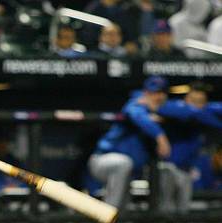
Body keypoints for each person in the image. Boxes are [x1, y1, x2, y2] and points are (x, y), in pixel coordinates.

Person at [87, 76, 172, 210]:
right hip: (103, 161)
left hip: (130, 169)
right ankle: (108, 212)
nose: (157, 97)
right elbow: (136, 115)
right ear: (145, 93)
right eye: (153, 93)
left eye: (161, 93)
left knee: (164, 170)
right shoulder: (135, 105)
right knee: (123, 163)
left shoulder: (162, 110)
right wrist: (160, 137)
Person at [155, 82, 222, 213]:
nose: (197, 105)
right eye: (194, 100)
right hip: (168, 166)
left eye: (201, 101)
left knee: (184, 212)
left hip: (187, 170)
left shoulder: (205, 112)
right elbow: (167, 109)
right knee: (165, 210)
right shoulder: (174, 108)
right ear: (186, 99)